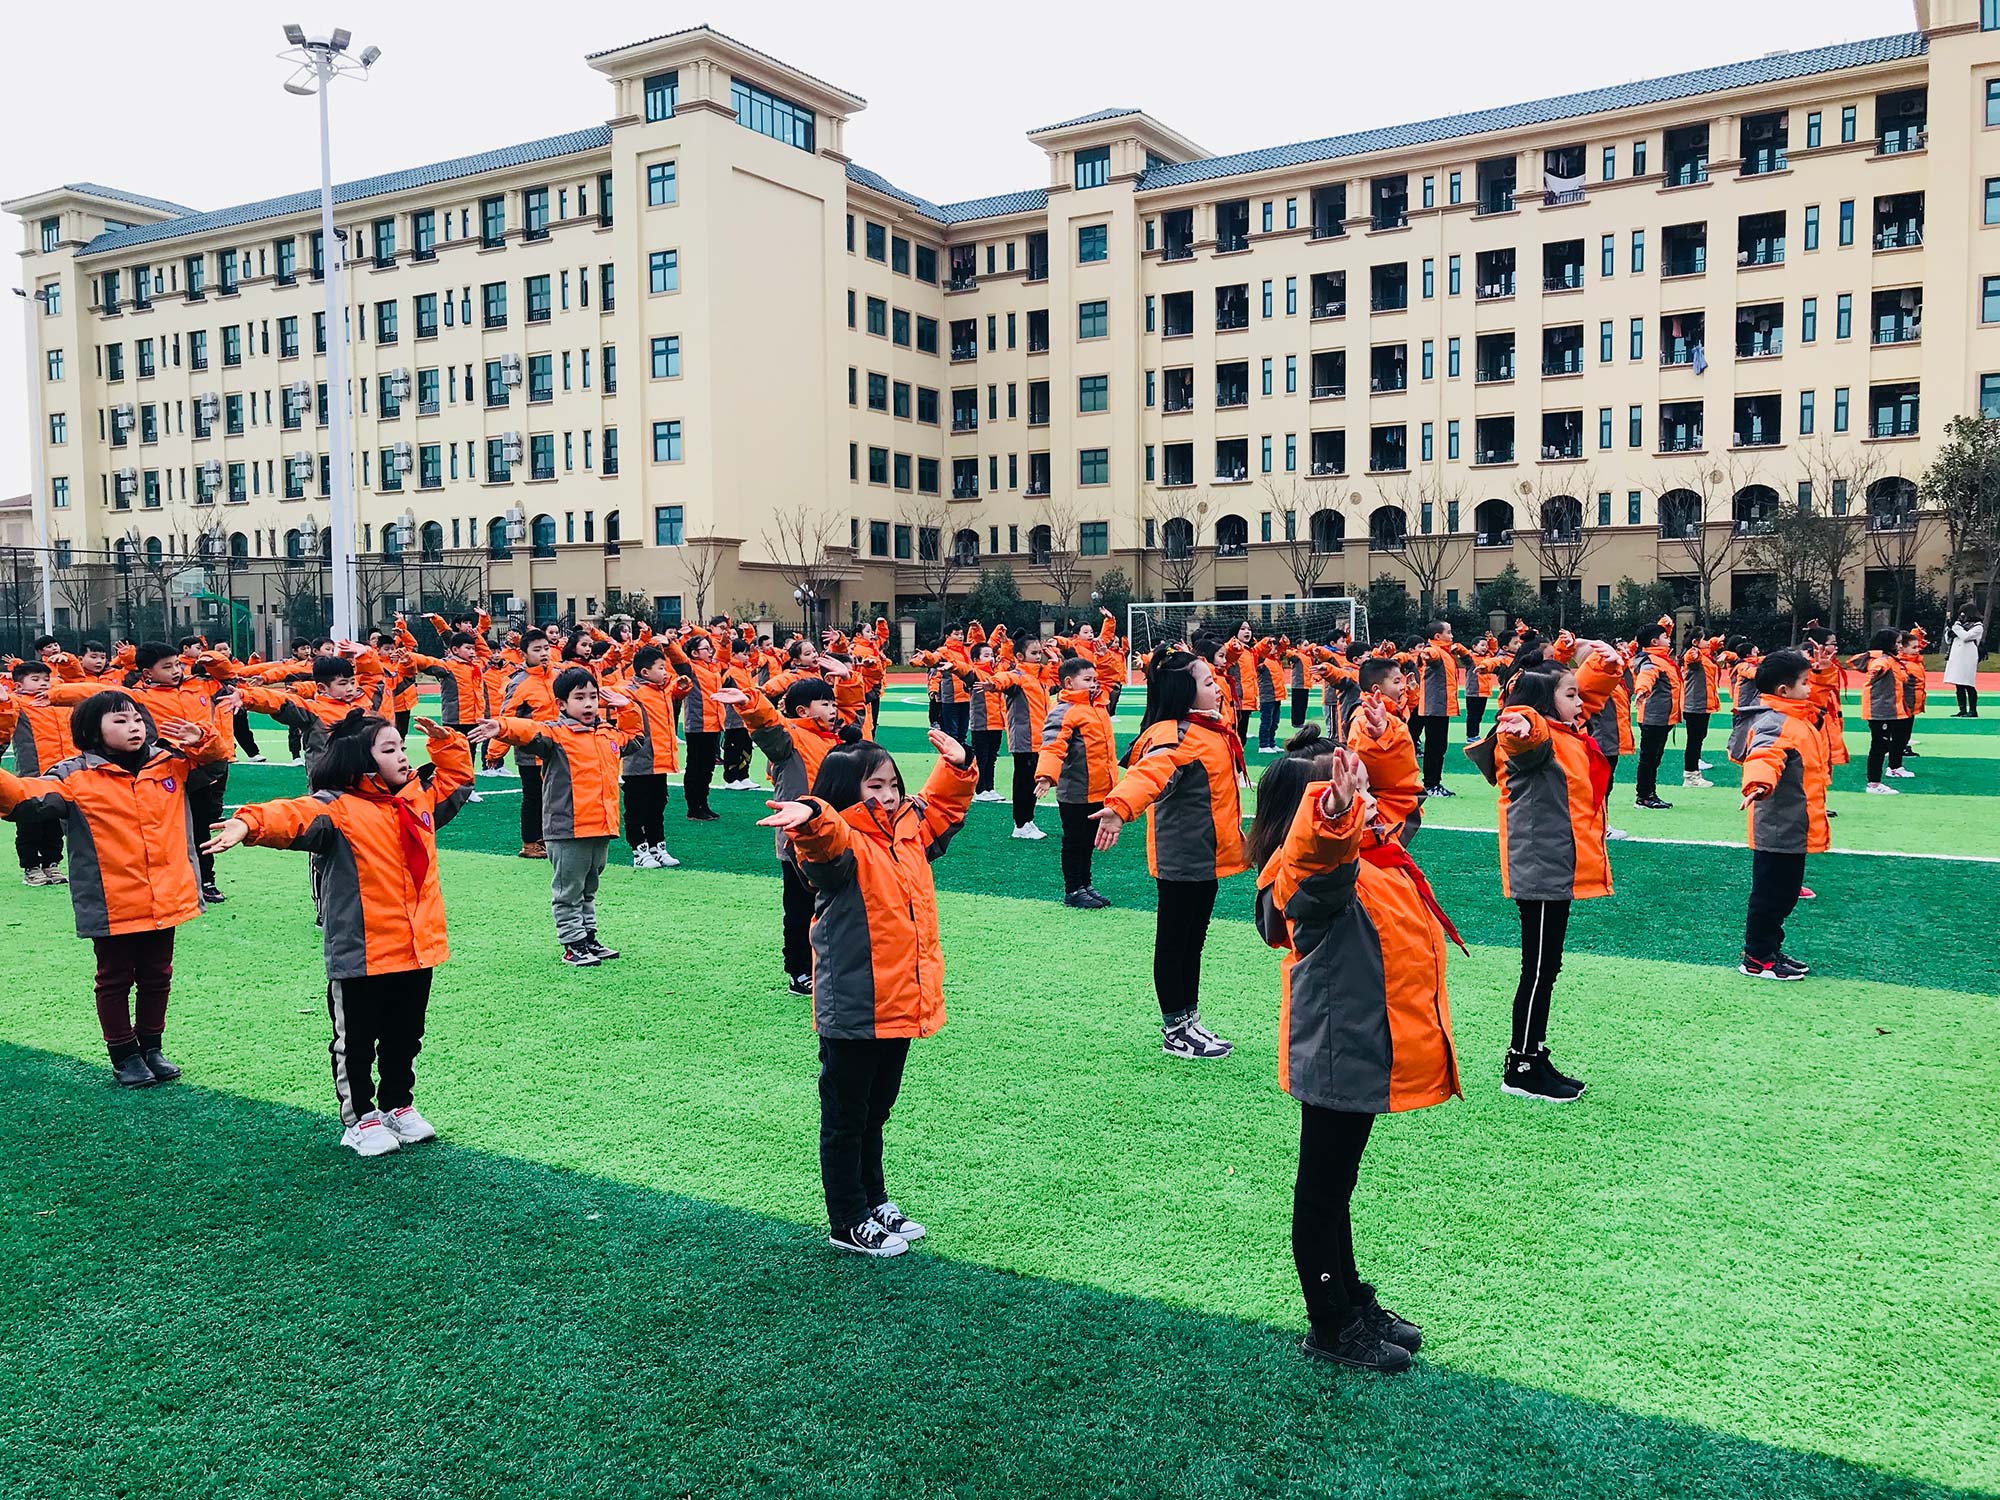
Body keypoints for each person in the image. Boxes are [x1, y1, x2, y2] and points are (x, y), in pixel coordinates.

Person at [1248, 739, 1460, 1373]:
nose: (1364, 803)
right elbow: (1316, 867)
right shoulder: (1314, 872)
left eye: (1360, 790)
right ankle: (1331, 1323)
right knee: (1322, 1190)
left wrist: (1387, 743)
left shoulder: (1372, 855)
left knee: (1336, 1187)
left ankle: (1350, 1300)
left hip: (1362, 1047)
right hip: (1338, 1049)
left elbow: (1404, 805)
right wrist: (1332, 814)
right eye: (1343, 795)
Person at [203, 715, 474, 1154]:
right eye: (389, 750)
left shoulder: (416, 799)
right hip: (361, 951)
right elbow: (291, 814)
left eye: (401, 747)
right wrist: (248, 823)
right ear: (358, 761)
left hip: (416, 947)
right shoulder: (336, 809)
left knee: (406, 1035)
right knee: (356, 1042)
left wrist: (449, 744)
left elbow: (456, 780)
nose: (402, 756)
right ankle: (360, 1119)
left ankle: (397, 1105)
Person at [758, 726, 977, 1257]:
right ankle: (847, 1218)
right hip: (856, 1004)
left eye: (892, 785)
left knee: (875, 1111)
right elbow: (824, 841)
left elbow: (940, 808)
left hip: (899, 1001)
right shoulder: (842, 841)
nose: (889, 796)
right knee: (846, 1117)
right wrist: (811, 815)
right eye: (873, 787)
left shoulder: (907, 832)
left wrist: (957, 767)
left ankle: (873, 1199)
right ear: (843, 793)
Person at [0, 690, 223, 1087]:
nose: (134, 727)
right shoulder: (72, 776)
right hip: (111, 899)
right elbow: (22, 800)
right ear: (91, 731)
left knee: (158, 975)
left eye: (136, 719)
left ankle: (151, 1047)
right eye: (120, 721)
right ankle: (124, 1053)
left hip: (166, 893)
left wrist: (204, 740)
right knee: (115, 977)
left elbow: (215, 765)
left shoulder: (171, 763)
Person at [1480, 641, 1623, 1101]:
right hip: (1541, 870)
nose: (1581, 702)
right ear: (1544, 704)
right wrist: (1521, 724)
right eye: (1570, 695)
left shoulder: (1565, 732)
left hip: (1554, 867)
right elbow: (1523, 738)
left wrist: (1602, 665)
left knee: (1547, 967)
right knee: (1538, 969)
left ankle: (1534, 1053)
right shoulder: (1535, 738)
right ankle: (1520, 1065)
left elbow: (1581, 698)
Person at [1093, 648, 1247, 1060]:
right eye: (1208, 683)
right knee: (1175, 941)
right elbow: (1149, 772)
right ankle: (1175, 1029)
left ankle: (1189, 1020)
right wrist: (1119, 807)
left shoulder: (1208, 727)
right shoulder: (1173, 734)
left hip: (1206, 856)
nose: (1218, 689)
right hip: (1182, 859)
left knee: (1193, 942)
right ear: (1184, 692)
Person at [471, 667, 646, 967]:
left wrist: (627, 707)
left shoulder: (607, 734)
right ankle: (572, 942)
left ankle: (587, 936)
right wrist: (501, 727)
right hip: (567, 828)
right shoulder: (555, 734)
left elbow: (636, 739)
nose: (588, 704)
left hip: (601, 826)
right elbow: (530, 731)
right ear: (562, 704)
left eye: (593, 697)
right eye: (579, 697)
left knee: (589, 887)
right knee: (568, 890)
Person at [728, 673, 862, 995]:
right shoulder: (790, 740)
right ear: (802, 711)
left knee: (838, 905)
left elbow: (858, 717)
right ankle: (799, 970)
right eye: (825, 704)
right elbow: (768, 727)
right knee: (800, 908)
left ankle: (832, 964)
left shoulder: (838, 739)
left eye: (833, 702)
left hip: (836, 836)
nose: (833, 709)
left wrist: (848, 680)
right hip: (798, 841)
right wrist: (751, 704)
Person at [1735, 650, 1830, 981]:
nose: (1809, 688)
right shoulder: (1775, 722)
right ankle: (1757, 957)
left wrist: (1823, 670)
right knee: (1770, 896)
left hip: (1794, 823)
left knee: (1786, 894)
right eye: (1804, 683)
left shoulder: (1797, 716)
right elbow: (1764, 755)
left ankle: (1770, 949)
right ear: (1784, 690)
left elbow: (1821, 702)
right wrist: (1759, 784)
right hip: (1776, 827)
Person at [1035, 655, 1118, 908]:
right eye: (1087, 680)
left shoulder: (1098, 706)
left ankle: (1085, 884)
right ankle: (1073, 889)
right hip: (1076, 790)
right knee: (1074, 841)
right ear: (1069, 683)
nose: (1093, 684)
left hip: (1099, 788)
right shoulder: (1064, 711)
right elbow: (1053, 745)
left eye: (1095, 680)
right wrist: (1046, 775)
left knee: (1088, 841)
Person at [0, 660, 74, 885]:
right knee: (29, 822)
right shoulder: (17, 703)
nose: (43, 683)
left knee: (54, 822)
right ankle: (31, 866)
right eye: (35, 679)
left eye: (45, 679)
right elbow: (5, 715)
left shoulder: (58, 703)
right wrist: (4, 700)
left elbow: (77, 682)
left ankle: (52, 863)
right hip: (32, 772)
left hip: (60, 773)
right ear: (19, 685)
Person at [619, 645, 689, 870]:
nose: (665, 672)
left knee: (657, 807)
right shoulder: (631, 691)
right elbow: (608, 694)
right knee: (636, 808)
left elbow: (680, 686)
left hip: (660, 761)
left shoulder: (664, 689)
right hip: (639, 761)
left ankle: (657, 847)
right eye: (660, 668)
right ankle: (638, 850)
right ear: (645, 672)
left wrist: (683, 685)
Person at [1345, 657, 1422, 841]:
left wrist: (1412, 691)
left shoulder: (1388, 710)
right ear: (1376, 689)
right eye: (1396, 682)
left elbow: (1406, 710)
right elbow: (1364, 756)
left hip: (1394, 798)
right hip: (1382, 806)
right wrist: (1379, 736)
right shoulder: (1365, 718)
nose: (1402, 686)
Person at [990, 640, 1052, 841]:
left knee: (1032, 781)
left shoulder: (1038, 678)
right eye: (1034, 653)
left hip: (1038, 739)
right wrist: (993, 683)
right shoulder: (1019, 676)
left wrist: (1055, 658)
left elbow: (1057, 678)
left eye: (1039, 652)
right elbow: (1004, 677)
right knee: (1024, 782)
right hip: (1025, 740)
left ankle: (1027, 820)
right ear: (1019, 656)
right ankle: (1021, 823)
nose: (1038, 656)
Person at [1630, 617, 1682, 810]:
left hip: (1662, 717)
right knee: (1649, 759)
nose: (1669, 639)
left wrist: (1666, 625)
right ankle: (1644, 796)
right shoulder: (1651, 660)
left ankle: (1648, 794)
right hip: (1654, 718)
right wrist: (1642, 690)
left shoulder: (1659, 658)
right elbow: (1647, 675)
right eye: (1665, 637)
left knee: (1654, 758)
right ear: (1654, 642)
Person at [1411, 621, 1463, 798]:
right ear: (1438, 636)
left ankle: (1433, 783)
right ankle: (1431, 784)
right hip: (1434, 708)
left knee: (1438, 746)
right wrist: (1427, 653)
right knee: (1435, 747)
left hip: (1441, 707)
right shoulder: (1434, 651)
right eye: (1449, 632)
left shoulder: (1446, 652)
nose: (1452, 635)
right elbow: (1430, 656)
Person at [1855, 629, 1911, 793]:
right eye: (1898, 643)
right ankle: (1873, 783)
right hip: (1880, 711)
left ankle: (1878, 780)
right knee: (1878, 746)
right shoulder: (1883, 661)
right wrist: (1876, 671)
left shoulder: (1892, 660)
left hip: (1887, 709)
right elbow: (1877, 667)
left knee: (1883, 745)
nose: (1900, 646)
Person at [1679, 631, 1726, 789]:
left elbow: (1709, 647)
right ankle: (1691, 774)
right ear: (1695, 642)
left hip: (1701, 704)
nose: (1708, 642)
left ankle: (1694, 768)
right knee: (1694, 740)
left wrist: (1716, 642)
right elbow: (1691, 658)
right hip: (1695, 705)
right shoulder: (1694, 656)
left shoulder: (1705, 655)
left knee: (1698, 738)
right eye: (1705, 639)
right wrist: (1694, 652)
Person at [1945, 608, 1984, 717]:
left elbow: (1966, 636)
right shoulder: (1960, 627)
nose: (1962, 617)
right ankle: (1962, 709)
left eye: (1964, 614)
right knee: (1958, 684)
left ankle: (1973, 710)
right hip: (1956, 656)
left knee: (1968, 684)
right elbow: (1948, 640)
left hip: (1968, 658)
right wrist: (1949, 629)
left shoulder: (1978, 627)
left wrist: (1956, 626)